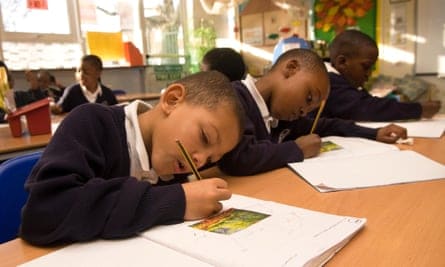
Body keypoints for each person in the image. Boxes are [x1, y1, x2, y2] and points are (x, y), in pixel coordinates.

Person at [20, 70, 245, 246]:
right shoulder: (91, 123)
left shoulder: (172, 165)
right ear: (172, 100)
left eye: (210, 159)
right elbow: (44, 214)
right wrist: (177, 200)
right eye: (204, 137)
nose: (200, 160)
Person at [217, 48, 407, 176]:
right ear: (291, 68)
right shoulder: (233, 99)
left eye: (311, 108)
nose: (303, 112)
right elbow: (238, 159)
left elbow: (328, 124)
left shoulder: (279, 117)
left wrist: (373, 133)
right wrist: (296, 149)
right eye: (308, 98)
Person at [314, 29, 441, 121]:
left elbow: (366, 101)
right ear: (342, 62)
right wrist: (419, 109)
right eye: (365, 66)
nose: (369, 74)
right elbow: (367, 108)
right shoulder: (328, 82)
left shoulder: (344, 81)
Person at [52, 54, 117, 114]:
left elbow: (115, 115)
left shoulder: (108, 94)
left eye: (86, 71)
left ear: (98, 73)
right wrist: (53, 107)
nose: (81, 75)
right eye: (78, 71)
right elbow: (59, 109)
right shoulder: (71, 91)